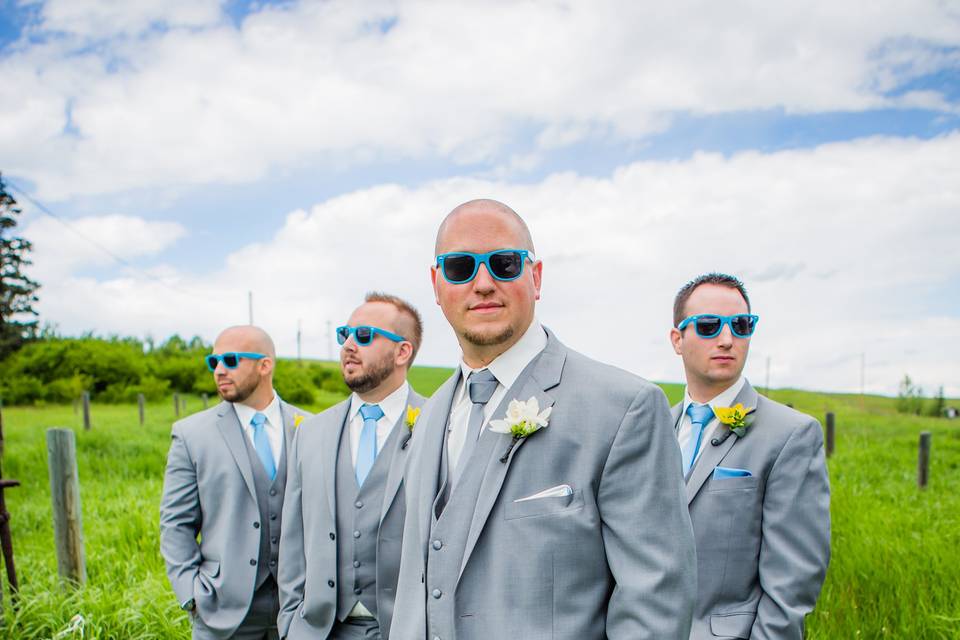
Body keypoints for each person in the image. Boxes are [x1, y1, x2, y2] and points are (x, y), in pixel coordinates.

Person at [391, 199, 697, 640]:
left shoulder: (624, 408)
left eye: (504, 263)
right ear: (437, 285)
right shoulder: (429, 416)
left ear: (534, 277)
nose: (482, 283)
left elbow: (656, 604)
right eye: (460, 267)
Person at [668, 273, 830, 639]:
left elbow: (791, 585)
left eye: (740, 326)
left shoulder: (791, 434)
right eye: (709, 326)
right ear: (678, 339)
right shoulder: (654, 426)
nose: (727, 339)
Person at [279, 293, 426, 639]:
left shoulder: (439, 425)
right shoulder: (311, 431)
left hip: (408, 629)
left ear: (402, 351)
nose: (348, 345)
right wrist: (289, 624)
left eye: (363, 336)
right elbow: (292, 538)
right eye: (344, 334)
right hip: (320, 630)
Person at [160, 326, 310, 639]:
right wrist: (191, 593)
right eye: (213, 362)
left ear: (265, 365)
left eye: (230, 360)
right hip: (221, 609)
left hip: (300, 608)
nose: (220, 370)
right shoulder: (191, 435)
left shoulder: (311, 428)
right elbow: (176, 524)